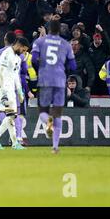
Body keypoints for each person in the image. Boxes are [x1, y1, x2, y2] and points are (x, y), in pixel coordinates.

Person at [31, 20, 77, 154]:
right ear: (60, 30)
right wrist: (62, 67)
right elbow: (73, 66)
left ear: (48, 29)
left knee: (43, 111)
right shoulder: (66, 44)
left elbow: (33, 59)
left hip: (45, 80)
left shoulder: (40, 42)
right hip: (60, 81)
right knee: (58, 114)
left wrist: (42, 66)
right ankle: (55, 147)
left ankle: (47, 121)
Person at [0, 37, 30, 150]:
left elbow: (16, 75)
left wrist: (20, 90)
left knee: (11, 115)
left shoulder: (18, 58)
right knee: (11, 115)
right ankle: (13, 142)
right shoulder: (6, 54)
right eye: (24, 50)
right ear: (19, 45)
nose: (24, 52)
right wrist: (4, 90)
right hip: (3, 87)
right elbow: (1, 71)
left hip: (11, 88)